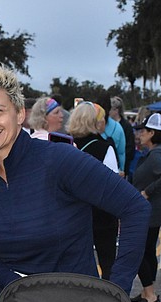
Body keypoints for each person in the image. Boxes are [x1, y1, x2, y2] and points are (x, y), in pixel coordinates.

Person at [0, 62, 150, 296]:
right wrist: (18, 286)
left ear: (19, 114)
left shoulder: (60, 160)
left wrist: (117, 292)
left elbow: (135, 207)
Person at [68, 101, 120, 281]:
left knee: (76, 262)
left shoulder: (65, 142)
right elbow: (113, 185)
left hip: (72, 212)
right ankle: (110, 301)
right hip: (102, 213)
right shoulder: (104, 147)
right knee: (108, 261)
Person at [129, 113, 161, 302]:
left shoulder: (156, 155)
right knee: (147, 250)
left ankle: (151, 295)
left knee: (139, 251)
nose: (140, 134)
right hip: (154, 209)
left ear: (152, 133)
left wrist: (147, 192)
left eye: (143, 131)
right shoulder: (156, 152)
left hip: (151, 210)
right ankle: (149, 291)